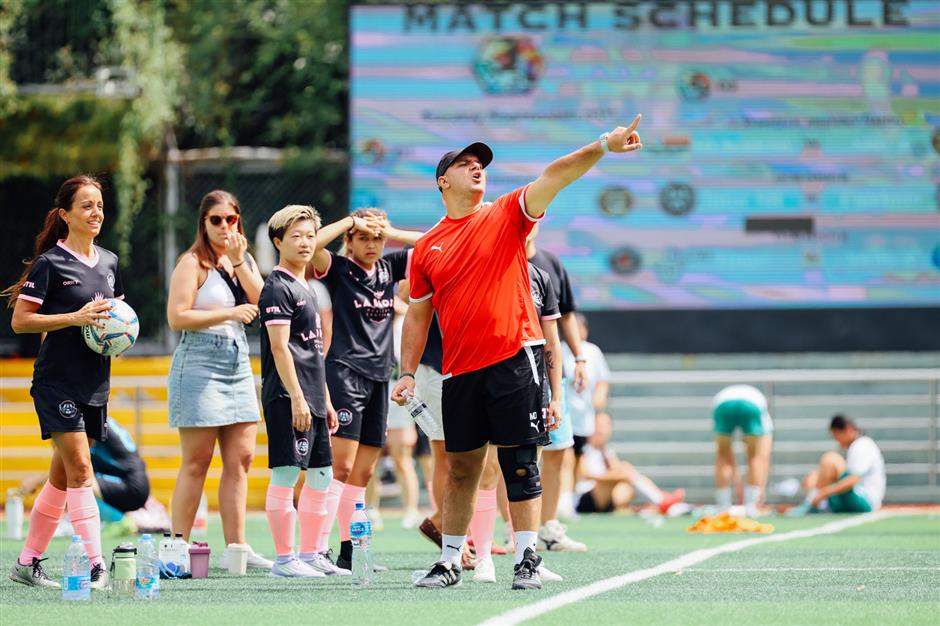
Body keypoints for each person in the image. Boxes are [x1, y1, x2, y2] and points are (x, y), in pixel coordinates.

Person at [393, 117, 643, 590]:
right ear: (442, 181)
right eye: (465, 164)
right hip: (458, 371)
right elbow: (418, 316)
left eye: (480, 164)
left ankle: (526, 558)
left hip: (514, 361)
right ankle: (449, 561)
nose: (477, 169)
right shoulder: (426, 247)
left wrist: (603, 146)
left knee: (520, 463)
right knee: (462, 467)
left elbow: (556, 175)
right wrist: (407, 372)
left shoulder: (506, 213)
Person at [4, 175, 122, 589]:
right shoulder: (50, 264)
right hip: (57, 382)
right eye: (86, 206)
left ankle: (27, 561)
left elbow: (116, 319)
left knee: (61, 476)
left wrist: (122, 331)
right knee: (82, 469)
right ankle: (97, 565)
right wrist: (73, 318)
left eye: (100, 205)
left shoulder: (109, 262)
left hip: (95, 382)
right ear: (65, 215)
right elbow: (20, 320)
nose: (96, 213)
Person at [165, 189, 272, 570]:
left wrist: (242, 262)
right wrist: (227, 314)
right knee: (197, 460)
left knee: (241, 459)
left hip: (238, 360)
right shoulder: (191, 263)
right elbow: (176, 317)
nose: (225, 226)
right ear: (203, 223)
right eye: (217, 220)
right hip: (200, 361)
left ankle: (237, 547)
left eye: (231, 219)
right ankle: (176, 545)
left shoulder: (240, 260)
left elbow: (264, 302)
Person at [310, 209, 422, 571]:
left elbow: (433, 243)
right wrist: (349, 222)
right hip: (345, 373)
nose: (372, 244)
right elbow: (313, 245)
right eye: (364, 238)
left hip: (379, 377)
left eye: (377, 238)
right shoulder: (340, 271)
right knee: (339, 468)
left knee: (364, 473)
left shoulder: (390, 267)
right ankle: (316, 551)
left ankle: (349, 552)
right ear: (351, 242)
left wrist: (390, 230)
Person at [258, 205, 345, 577]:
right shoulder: (277, 286)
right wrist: (296, 397)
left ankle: (311, 554)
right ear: (278, 242)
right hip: (286, 396)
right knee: (286, 474)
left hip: (312, 395)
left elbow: (313, 352)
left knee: (322, 474)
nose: (306, 242)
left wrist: (322, 399)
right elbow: (280, 348)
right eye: (296, 236)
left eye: (310, 235)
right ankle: (284, 559)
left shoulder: (307, 286)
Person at [526, 224, 587, 551]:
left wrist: (580, 357)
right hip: (515, 370)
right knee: (519, 452)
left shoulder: (550, 263)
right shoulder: (501, 261)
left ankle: (548, 527)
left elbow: (566, 315)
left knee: (559, 448)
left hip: (550, 368)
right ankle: (516, 527)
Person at [576, 413, 686, 515]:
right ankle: (661, 501)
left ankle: (663, 503)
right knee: (626, 470)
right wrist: (612, 476)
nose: (603, 431)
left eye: (606, 425)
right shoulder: (583, 449)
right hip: (586, 498)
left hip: (607, 497)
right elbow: (584, 475)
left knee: (627, 481)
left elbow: (619, 471)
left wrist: (620, 473)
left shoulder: (607, 452)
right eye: (599, 425)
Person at [788, 415, 886, 515]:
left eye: (836, 436)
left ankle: (813, 505)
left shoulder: (861, 445)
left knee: (829, 458)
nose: (837, 441)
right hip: (859, 496)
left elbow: (853, 480)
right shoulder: (856, 446)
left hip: (866, 500)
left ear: (847, 430)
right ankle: (815, 503)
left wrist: (823, 493)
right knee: (813, 476)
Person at [386, 295, 424, 529]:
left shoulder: (404, 321)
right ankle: (368, 509)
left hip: (398, 389)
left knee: (402, 454)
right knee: (369, 454)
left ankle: (411, 508)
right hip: (376, 389)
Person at [712, 384, 773, 517]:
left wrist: (737, 478)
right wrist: (760, 489)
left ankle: (723, 507)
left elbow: (727, 455)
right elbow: (763, 456)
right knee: (754, 456)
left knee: (721, 456)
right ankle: (751, 507)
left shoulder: (725, 395)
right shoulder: (764, 414)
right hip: (751, 404)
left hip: (723, 403)